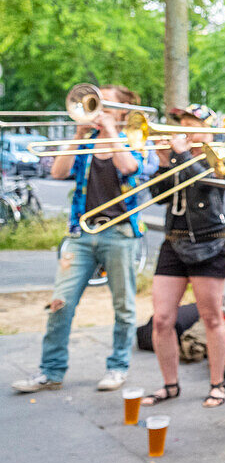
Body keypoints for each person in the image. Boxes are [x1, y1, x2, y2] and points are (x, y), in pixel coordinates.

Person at [13, 85, 149, 394]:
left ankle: (117, 367)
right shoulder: (85, 141)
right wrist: (77, 134)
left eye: (106, 102)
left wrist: (112, 129)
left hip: (120, 232)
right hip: (80, 233)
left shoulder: (134, 139)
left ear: (122, 110)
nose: (98, 107)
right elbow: (58, 173)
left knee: (124, 306)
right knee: (60, 302)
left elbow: (128, 167)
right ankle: (51, 371)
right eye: (96, 99)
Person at [141, 105, 225, 409]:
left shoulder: (220, 155)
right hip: (174, 241)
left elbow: (206, 184)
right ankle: (170, 385)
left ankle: (217, 384)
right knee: (162, 319)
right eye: (183, 123)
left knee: (211, 317)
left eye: (193, 123)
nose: (185, 129)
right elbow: (160, 196)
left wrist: (180, 156)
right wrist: (164, 163)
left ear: (209, 129)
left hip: (208, 243)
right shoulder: (178, 154)